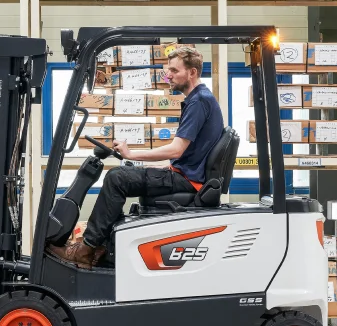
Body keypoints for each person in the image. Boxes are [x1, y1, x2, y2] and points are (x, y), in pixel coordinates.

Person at [48, 46, 225, 269]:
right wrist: (136, 161)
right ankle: (100, 246)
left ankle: (86, 249)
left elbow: (176, 150)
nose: (168, 75)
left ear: (192, 73)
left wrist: (132, 153)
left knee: (116, 179)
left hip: (188, 181)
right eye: (167, 70)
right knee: (124, 173)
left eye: (174, 70)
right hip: (185, 175)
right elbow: (184, 156)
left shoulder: (199, 101)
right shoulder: (200, 99)